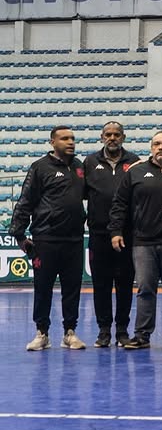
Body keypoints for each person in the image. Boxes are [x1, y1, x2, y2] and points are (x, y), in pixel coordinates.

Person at [109, 131, 162, 350]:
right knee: (145, 289)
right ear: (151, 148)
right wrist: (116, 231)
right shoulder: (135, 171)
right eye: (157, 144)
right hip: (142, 241)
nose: (161, 147)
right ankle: (142, 335)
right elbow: (120, 203)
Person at [12, 126, 88, 351]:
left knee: (72, 288)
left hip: (74, 239)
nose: (70, 142)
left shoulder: (79, 166)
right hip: (45, 239)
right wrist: (19, 234)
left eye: (72, 138)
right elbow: (26, 200)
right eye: (64, 138)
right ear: (52, 142)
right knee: (43, 287)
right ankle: (42, 333)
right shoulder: (40, 167)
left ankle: (70, 333)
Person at [83, 121, 140, 348]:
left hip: (127, 234)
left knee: (125, 284)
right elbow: (82, 193)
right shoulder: (90, 162)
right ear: (102, 137)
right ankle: (104, 331)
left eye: (117, 134)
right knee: (101, 285)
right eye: (108, 134)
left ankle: (122, 331)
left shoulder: (134, 161)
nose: (112, 138)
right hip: (99, 234)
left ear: (123, 137)